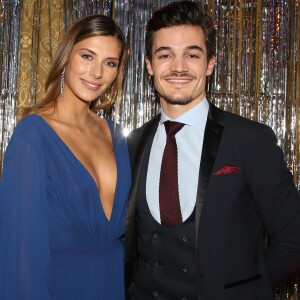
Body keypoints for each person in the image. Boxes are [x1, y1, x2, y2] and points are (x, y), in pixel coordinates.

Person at [124, 1, 300, 299]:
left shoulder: (250, 140)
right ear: (149, 65)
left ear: (210, 64)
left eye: (192, 55)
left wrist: (243, 290)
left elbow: (294, 241)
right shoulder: (133, 144)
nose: (179, 67)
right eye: (165, 55)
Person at [0, 14, 131, 300]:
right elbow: (21, 258)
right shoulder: (32, 137)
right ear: (66, 56)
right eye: (87, 56)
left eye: (109, 63)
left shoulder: (117, 137)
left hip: (115, 286)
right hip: (61, 288)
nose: (97, 72)